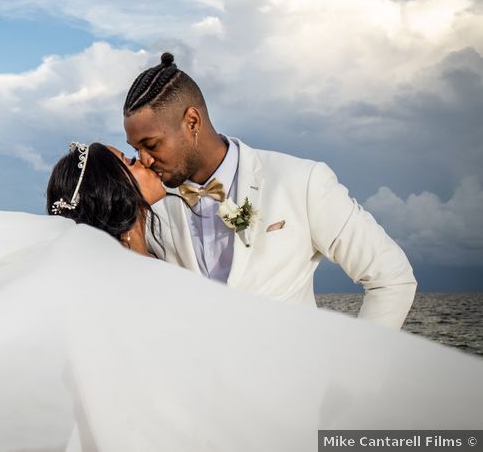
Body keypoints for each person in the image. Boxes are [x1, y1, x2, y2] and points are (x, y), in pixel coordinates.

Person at [123, 52, 417, 329]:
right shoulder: (153, 207)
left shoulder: (302, 182)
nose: (144, 159)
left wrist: (355, 374)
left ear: (192, 122)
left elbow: (391, 277)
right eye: (135, 149)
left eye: (151, 145)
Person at [46, 141, 166, 257]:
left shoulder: (159, 252)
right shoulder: (126, 266)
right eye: (131, 162)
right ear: (108, 190)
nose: (144, 162)